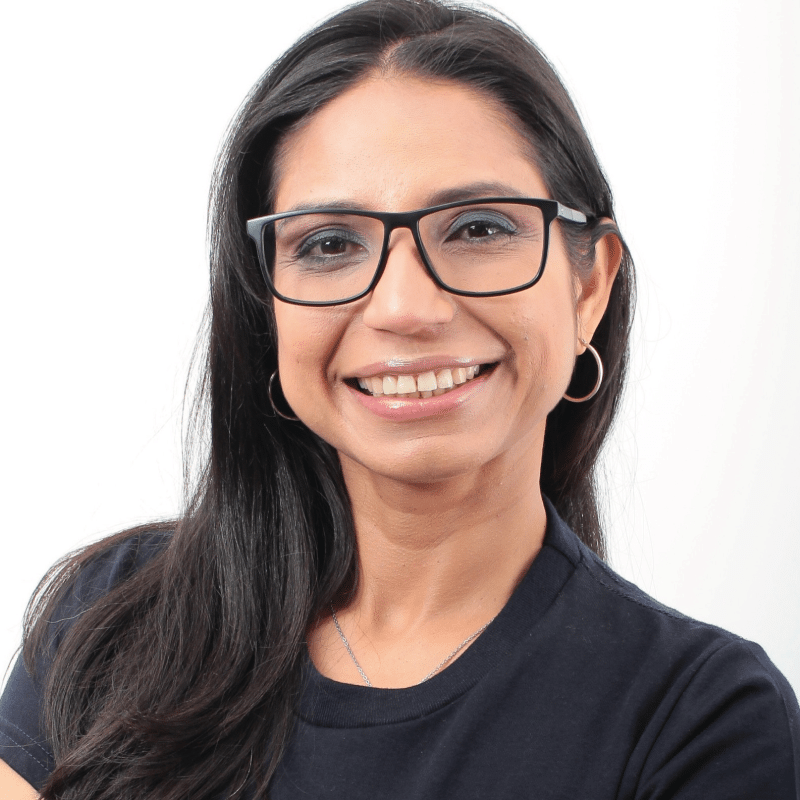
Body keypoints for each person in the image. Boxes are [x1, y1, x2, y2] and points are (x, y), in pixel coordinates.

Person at [1, 0, 798, 797]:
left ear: (587, 285)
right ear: (267, 308)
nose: (404, 308)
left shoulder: (699, 718)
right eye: (330, 244)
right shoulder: (109, 621)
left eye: (480, 228)